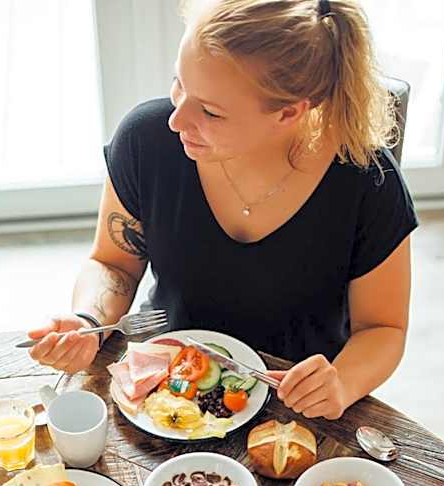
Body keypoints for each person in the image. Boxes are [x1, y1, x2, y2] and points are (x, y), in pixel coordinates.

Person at [27, 0, 417, 420]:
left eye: (210, 111)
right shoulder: (146, 142)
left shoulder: (367, 183)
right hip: (165, 387)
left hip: (293, 402)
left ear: (289, 112)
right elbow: (113, 265)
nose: (176, 120)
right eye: (179, 83)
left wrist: (341, 381)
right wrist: (90, 320)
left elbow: (383, 329)